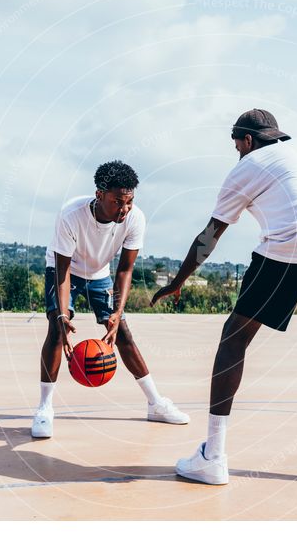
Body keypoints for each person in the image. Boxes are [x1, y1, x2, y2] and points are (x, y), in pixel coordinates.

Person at [151, 109, 297, 488]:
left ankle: (213, 457)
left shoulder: (248, 165)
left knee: (235, 336)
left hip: (291, 243)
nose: (237, 153)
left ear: (246, 141)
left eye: (236, 146)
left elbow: (210, 236)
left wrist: (178, 281)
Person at [32, 160, 189, 438]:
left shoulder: (134, 218)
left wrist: (118, 311)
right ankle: (44, 409)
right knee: (57, 330)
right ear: (99, 194)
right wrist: (61, 315)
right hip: (63, 270)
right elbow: (63, 272)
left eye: (129, 201)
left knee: (123, 332)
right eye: (118, 202)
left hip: (100, 272)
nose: (124, 208)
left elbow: (125, 270)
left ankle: (156, 403)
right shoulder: (71, 215)